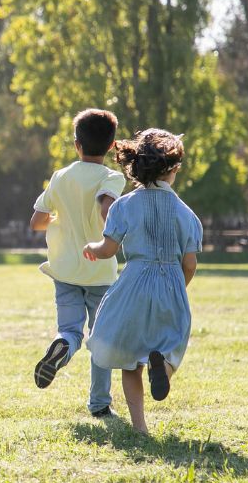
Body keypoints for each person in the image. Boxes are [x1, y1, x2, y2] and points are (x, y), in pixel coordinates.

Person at [82, 129, 203, 434]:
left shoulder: (123, 206)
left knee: (129, 359)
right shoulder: (186, 215)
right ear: (173, 169)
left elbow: (108, 249)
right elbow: (190, 263)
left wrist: (91, 248)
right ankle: (163, 367)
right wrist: (178, 286)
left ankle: (140, 428)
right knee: (172, 345)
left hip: (134, 283)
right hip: (171, 283)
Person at [30, 109, 125, 417]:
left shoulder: (61, 176)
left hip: (65, 269)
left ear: (76, 145)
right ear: (111, 147)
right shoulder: (112, 176)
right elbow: (105, 206)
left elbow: (37, 221)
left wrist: (62, 219)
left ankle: (62, 347)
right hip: (99, 269)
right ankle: (99, 404)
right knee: (101, 339)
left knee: (70, 330)